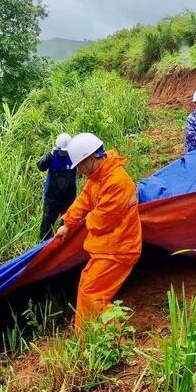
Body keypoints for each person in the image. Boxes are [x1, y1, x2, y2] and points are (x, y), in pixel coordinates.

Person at [55, 133, 142, 328]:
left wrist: (88, 218)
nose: (79, 171)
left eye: (80, 166)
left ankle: (113, 343)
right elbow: (84, 200)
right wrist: (68, 223)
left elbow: (102, 221)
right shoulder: (97, 177)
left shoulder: (117, 182)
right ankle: (87, 337)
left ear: (91, 159)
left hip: (119, 249)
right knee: (87, 288)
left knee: (93, 294)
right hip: (106, 248)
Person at [36, 133, 77, 240]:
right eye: (61, 150)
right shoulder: (52, 157)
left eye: (65, 151)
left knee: (67, 227)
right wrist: (50, 155)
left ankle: (61, 250)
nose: (63, 153)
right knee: (46, 229)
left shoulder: (74, 157)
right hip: (52, 199)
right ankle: (44, 250)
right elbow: (40, 166)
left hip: (68, 199)